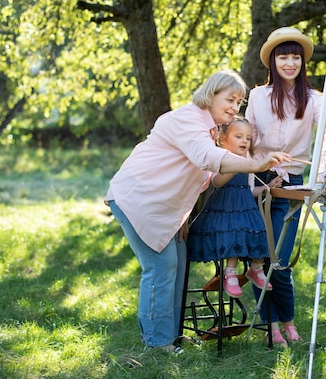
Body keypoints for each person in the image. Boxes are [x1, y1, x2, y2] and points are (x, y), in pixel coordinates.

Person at [105, 70, 290, 354]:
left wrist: (182, 216)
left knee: (176, 265)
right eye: (229, 99)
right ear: (210, 95)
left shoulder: (209, 130)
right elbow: (208, 160)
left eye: (239, 102)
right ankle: (157, 343)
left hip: (164, 209)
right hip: (138, 200)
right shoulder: (187, 119)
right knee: (160, 268)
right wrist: (256, 165)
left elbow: (198, 181)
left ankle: (172, 335)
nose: (234, 106)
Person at [245, 27, 323, 346]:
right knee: (260, 260)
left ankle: (288, 322)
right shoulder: (257, 96)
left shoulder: (314, 99)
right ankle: (270, 326)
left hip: (292, 182)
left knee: (281, 260)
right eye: (283, 57)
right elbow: (247, 139)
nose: (289, 63)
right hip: (260, 181)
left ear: (302, 61)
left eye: (295, 57)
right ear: (272, 62)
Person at [187, 116, 284, 298]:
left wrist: (267, 188)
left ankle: (256, 269)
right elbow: (216, 181)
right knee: (235, 232)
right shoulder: (220, 157)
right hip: (224, 206)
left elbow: (250, 189)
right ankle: (229, 273)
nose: (244, 141)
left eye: (248, 138)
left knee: (260, 229)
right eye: (239, 136)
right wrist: (236, 166)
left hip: (246, 206)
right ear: (224, 139)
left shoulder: (249, 159)